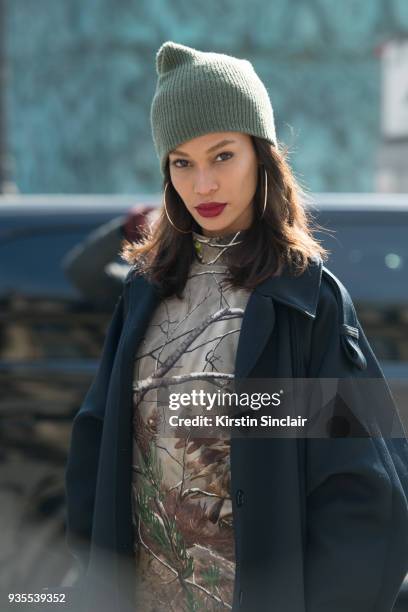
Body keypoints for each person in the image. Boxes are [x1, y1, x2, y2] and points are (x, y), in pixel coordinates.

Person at [64, 41, 408, 612]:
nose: (203, 185)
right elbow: (95, 451)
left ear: (262, 156)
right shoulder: (144, 293)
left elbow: (365, 491)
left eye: (222, 156)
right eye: (183, 162)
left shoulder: (303, 299)